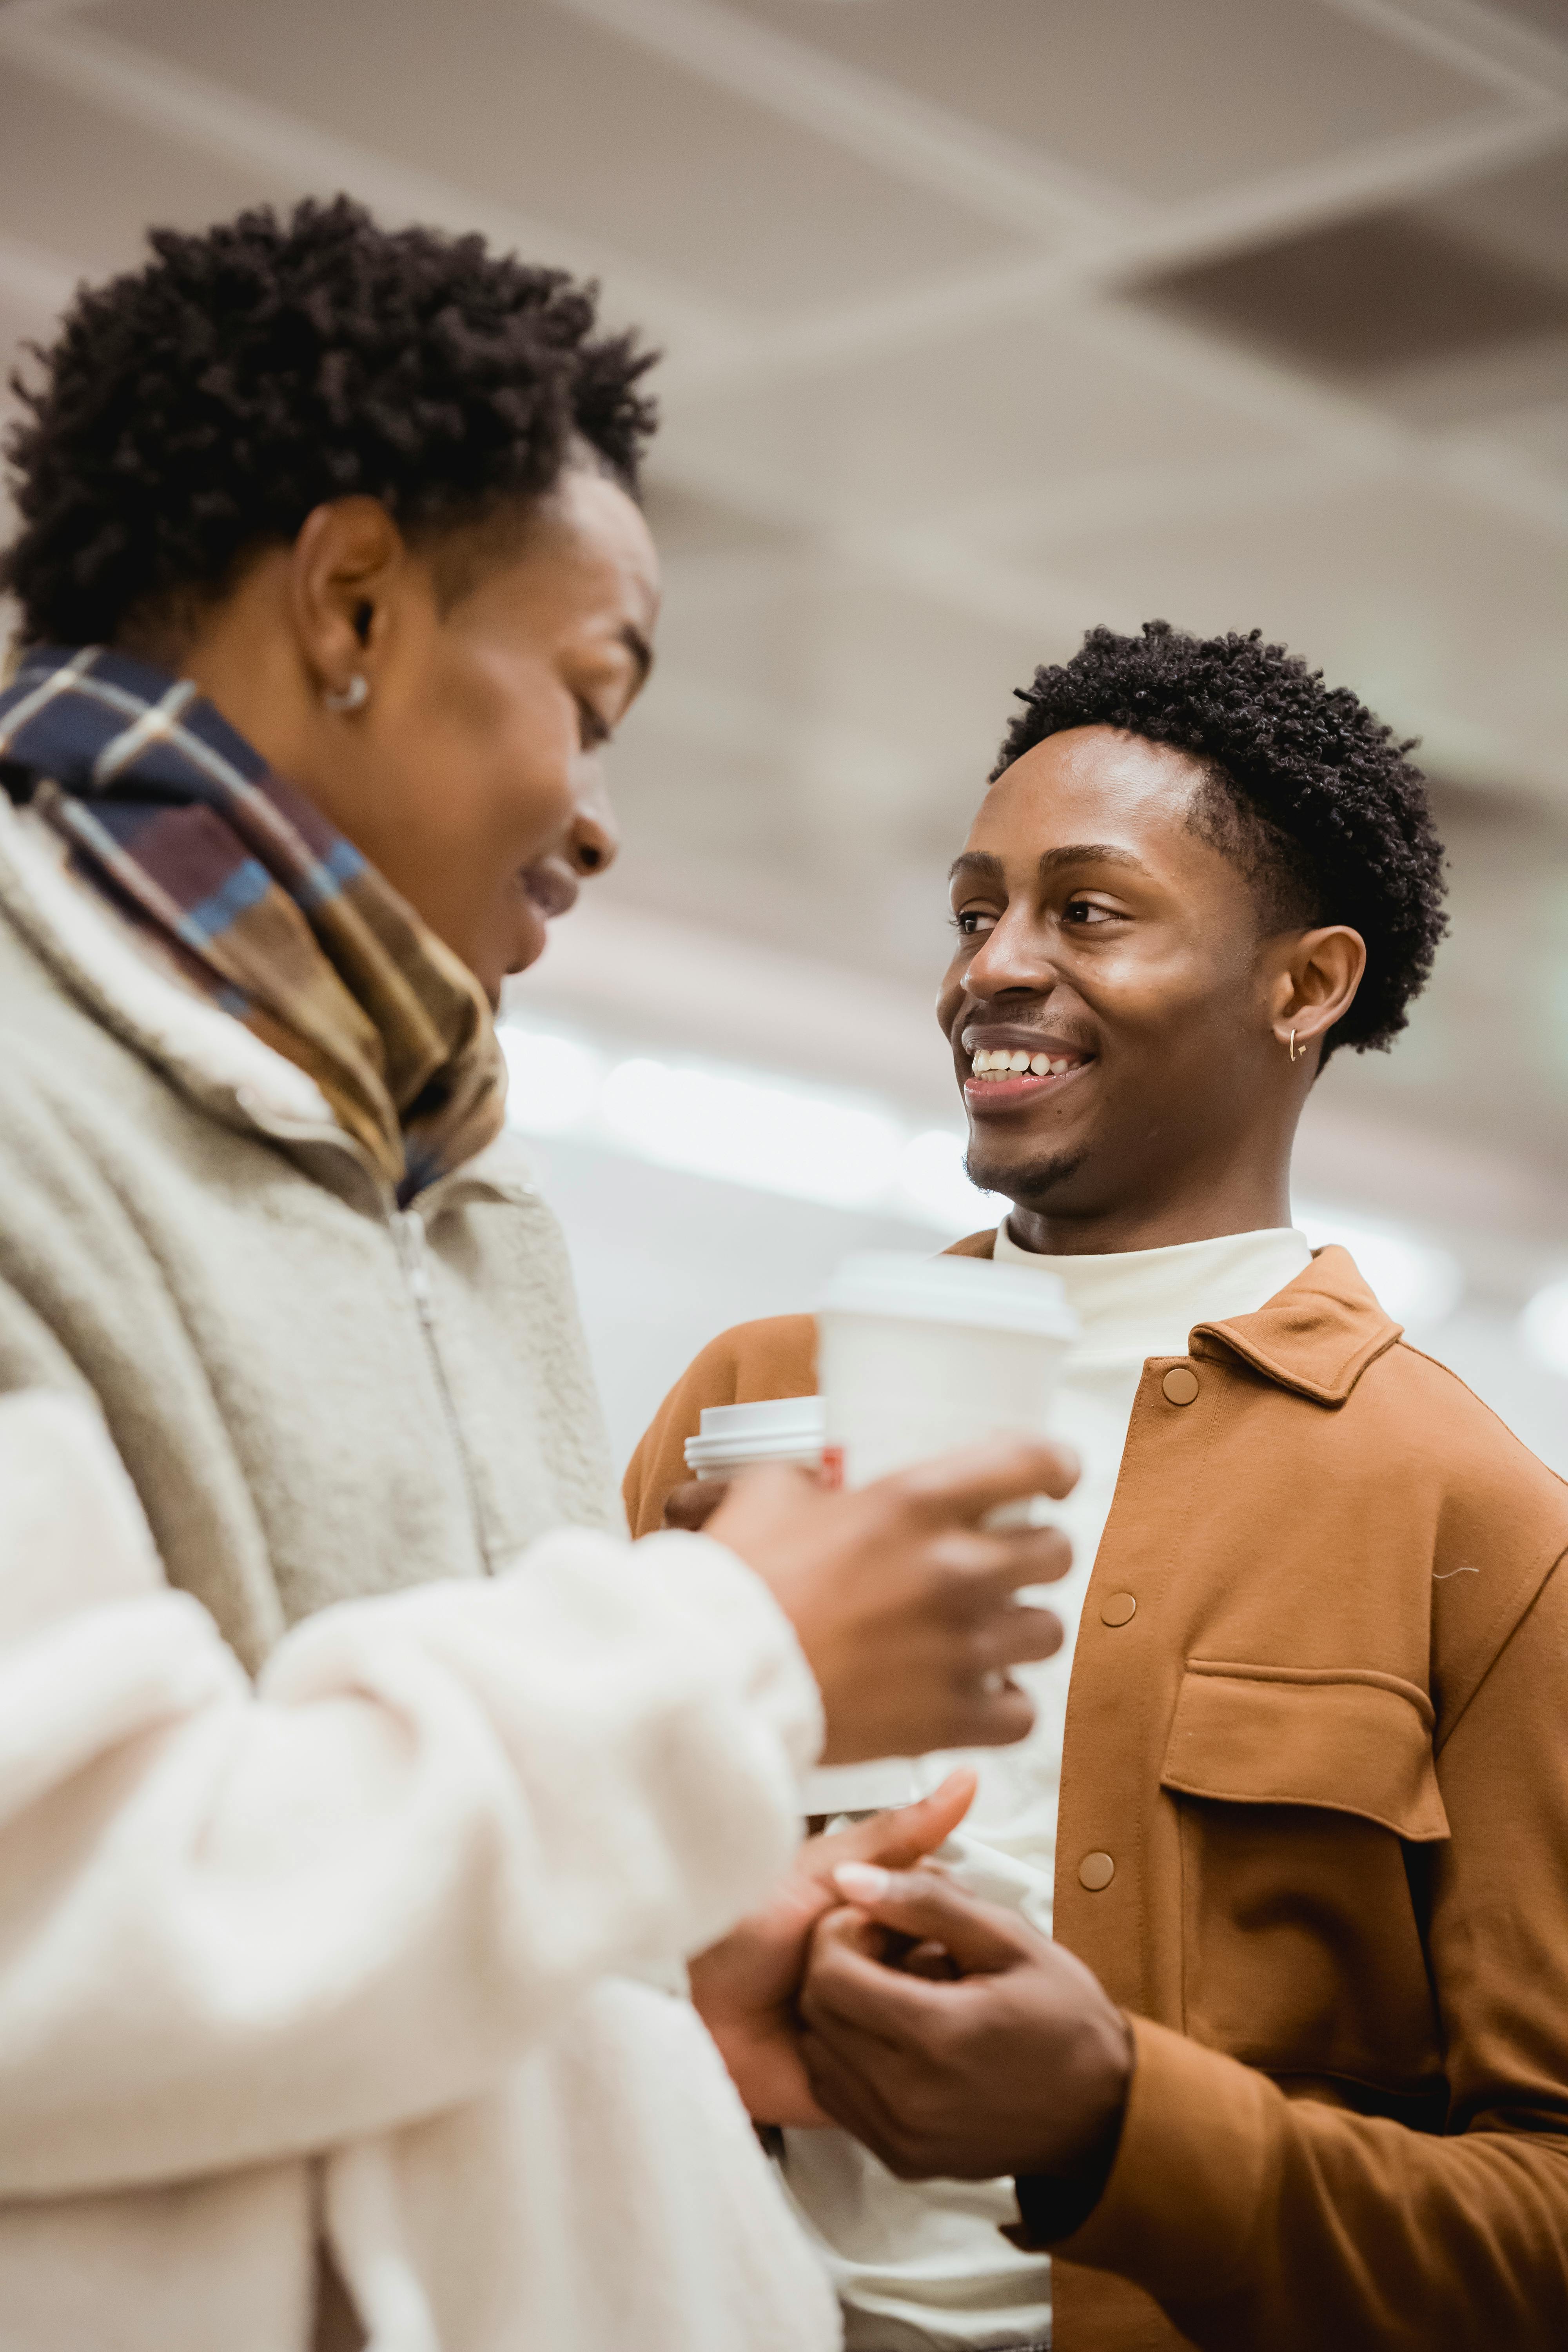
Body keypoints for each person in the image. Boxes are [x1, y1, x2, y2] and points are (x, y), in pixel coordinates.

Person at [0, 198, 1083, 2352]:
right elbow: (56, 1941)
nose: (597, 817)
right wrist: (736, 1646)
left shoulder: (456, 1185)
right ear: (356, 598)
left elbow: (361, 1910)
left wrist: (651, 1979)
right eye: (590, 702)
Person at [626, 621, 1568, 2352]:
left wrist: (1113, 2121)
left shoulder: (1473, 1522)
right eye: (975, 909)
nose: (992, 966)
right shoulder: (755, 1400)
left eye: (1087, 910)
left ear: (1304, 988)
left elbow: (1546, 2210)